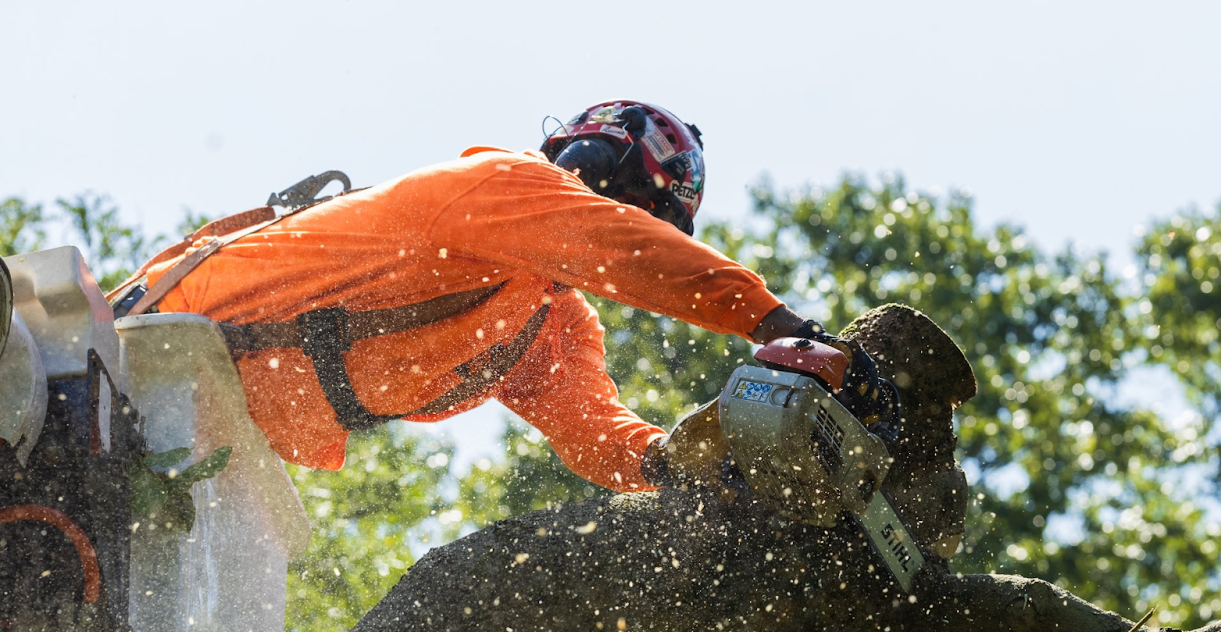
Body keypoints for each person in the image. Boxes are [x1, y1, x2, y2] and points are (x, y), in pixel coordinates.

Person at [107, 100, 871, 491]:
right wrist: (779, 324)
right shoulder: (499, 183)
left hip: (213, 440)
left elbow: (591, 428)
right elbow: (624, 250)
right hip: (140, 354)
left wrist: (676, 464)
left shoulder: (549, 323)